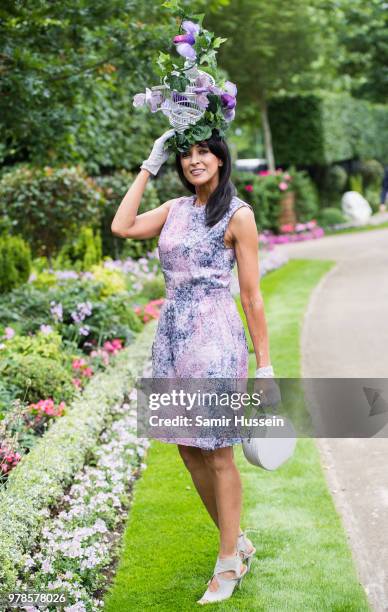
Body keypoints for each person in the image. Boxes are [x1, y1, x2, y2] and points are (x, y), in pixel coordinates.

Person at [111, 128, 275, 604]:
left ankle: (227, 563)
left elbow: (251, 295)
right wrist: (149, 164)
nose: (194, 160)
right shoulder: (175, 210)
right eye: (186, 154)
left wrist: (264, 366)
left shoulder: (238, 215)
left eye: (204, 151)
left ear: (221, 159)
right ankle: (237, 542)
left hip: (216, 339)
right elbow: (122, 226)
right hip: (173, 338)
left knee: (218, 452)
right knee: (186, 448)